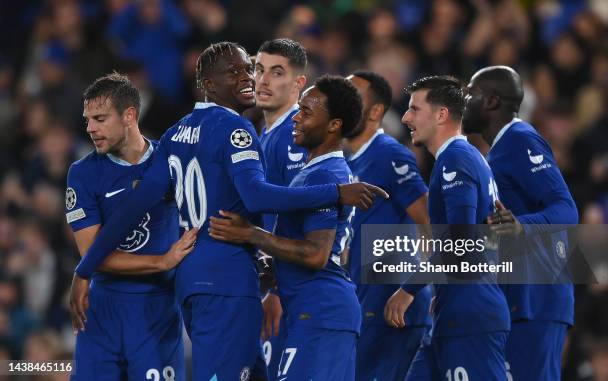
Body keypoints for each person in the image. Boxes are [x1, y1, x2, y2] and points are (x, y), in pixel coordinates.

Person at [69, 42, 386, 380]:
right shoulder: (236, 130)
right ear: (208, 84)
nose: (248, 77)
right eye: (234, 71)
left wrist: (84, 271)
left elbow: (132, 208)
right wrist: (336, 192)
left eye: (248, 69)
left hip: (193, 282)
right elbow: (256, 197)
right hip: (228, 280)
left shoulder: (175, 134)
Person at [209, 75, 363, 381]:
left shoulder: (326, 174)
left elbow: (317, 254)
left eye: (306, 112)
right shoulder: (315, 171)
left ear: (334, 125)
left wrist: (251, 234)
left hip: (323, 310)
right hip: (310, 311)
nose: (296, 117)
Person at [66, 73, 198, 380]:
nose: (90, 129)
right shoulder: (82, 173)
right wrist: (162, 261)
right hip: (100, 313)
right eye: (87, 120)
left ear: (129, 115)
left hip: (157, 311)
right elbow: (91, 253)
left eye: (99, 119)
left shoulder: (171, 163)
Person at [463, 65, 578, 381]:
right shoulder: (498, 149)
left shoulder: (520, 138)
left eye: (470, 92)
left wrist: (521, 226)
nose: (463, 100)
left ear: (492, 101)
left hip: (538, 300)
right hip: (517, 300)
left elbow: (566, 210)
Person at [400, 76, 510, 380]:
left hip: (470, 313)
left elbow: (460, 243)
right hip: (455, 309)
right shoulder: (468, 157)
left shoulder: (454, 160)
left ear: (441, 114)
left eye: (414, 109)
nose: (406, 117)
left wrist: (408, 290)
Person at [344, 70, 432, 381]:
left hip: (394, 310)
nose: (344, 105)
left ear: (376, 111)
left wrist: (413, 287)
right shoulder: (345, 161)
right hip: (366, 304)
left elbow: (431, 223)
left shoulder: (390, 155)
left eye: (353, 98)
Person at [254, 38, 308, 379]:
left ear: (298, 83)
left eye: (276, 72)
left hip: (289, 295)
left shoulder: (293, 135)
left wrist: (275, 290)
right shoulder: (266, 133)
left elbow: (302, 214)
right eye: (259, 70)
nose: (263, 80)